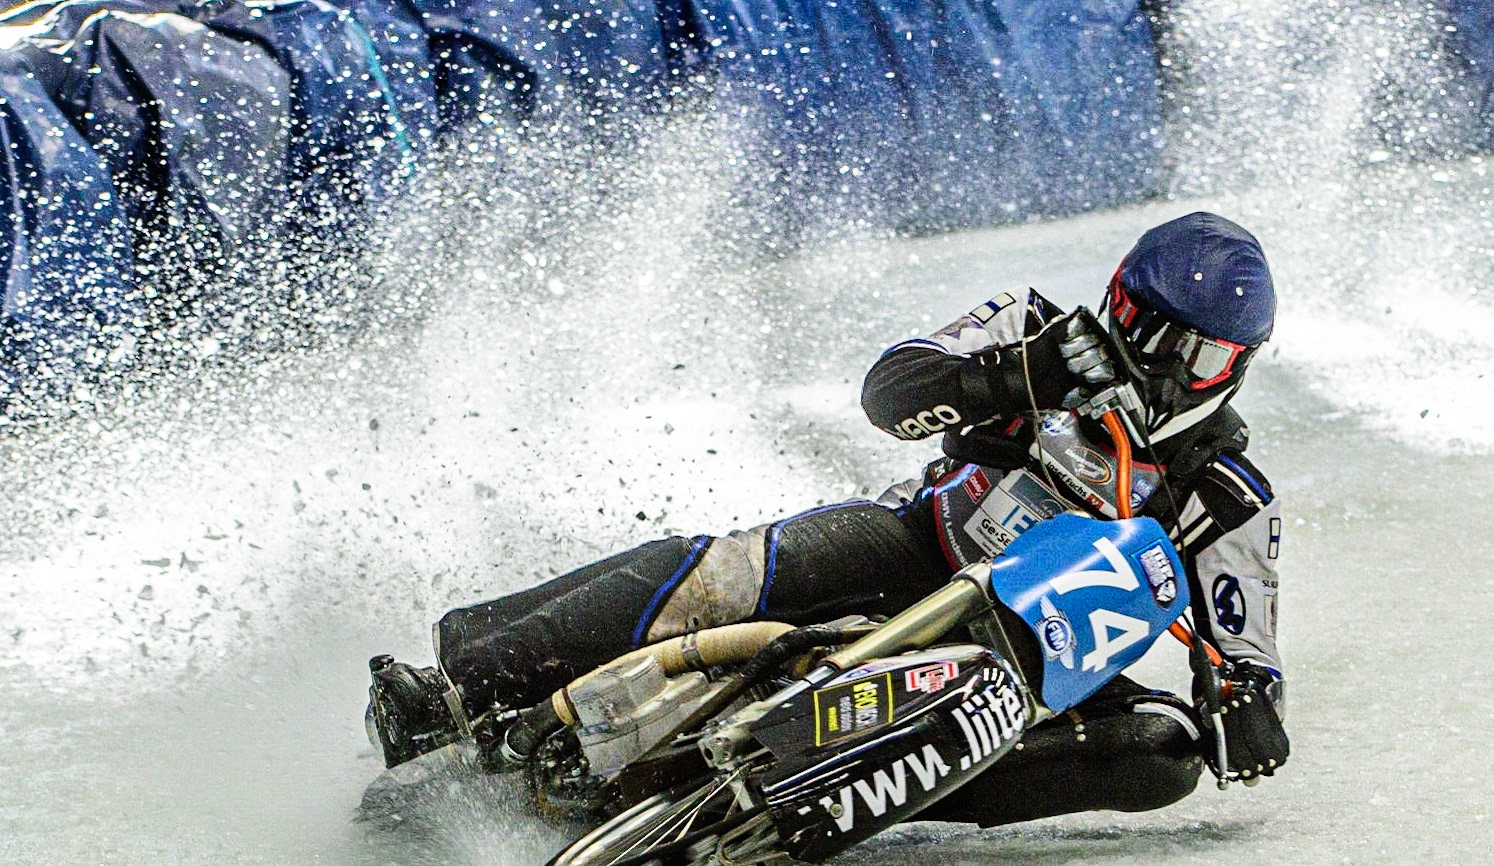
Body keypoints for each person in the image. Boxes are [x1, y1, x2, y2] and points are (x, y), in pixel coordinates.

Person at [367, 211, 1289, 827]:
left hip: (1032, 660)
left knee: (1162, 752)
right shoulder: (1030, 320)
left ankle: (870, 791)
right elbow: (889, 392)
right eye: (1139, 318)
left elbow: (1251, 660)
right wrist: (1019, 375)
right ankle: (458, 684)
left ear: (1237, 365)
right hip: (919, 545)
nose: (1156, 362)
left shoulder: (1229, 492)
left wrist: (1246, 709)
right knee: (726, 571)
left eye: (1194, 354)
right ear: (1115, 293)